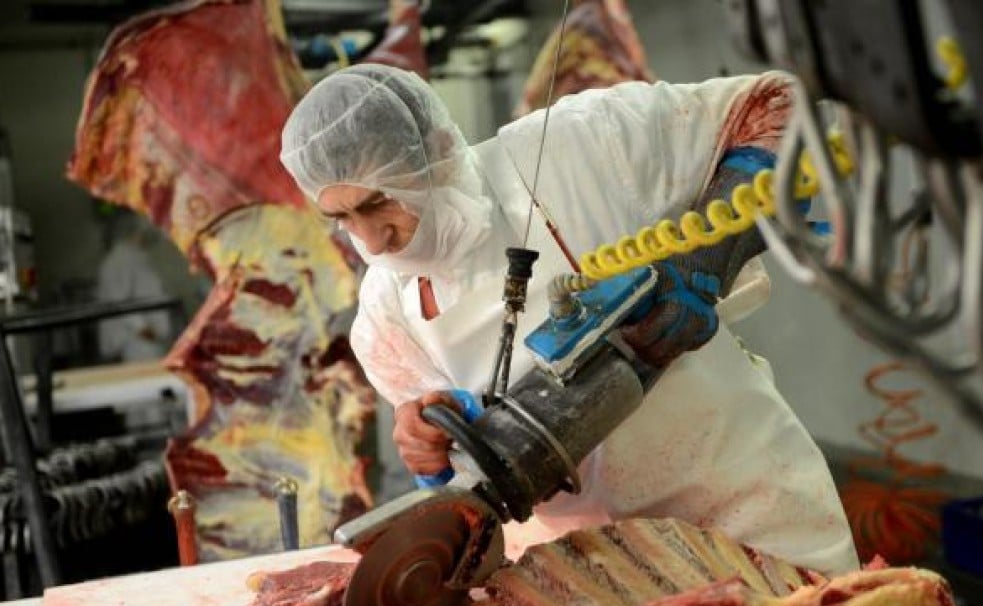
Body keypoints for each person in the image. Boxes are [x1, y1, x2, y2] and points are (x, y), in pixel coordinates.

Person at [280, 64, 859, 575]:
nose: (371, 240)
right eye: (343, 218)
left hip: (750, 518)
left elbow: (785, 108)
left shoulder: (577, 149)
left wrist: (705, 257)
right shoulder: (383, 320)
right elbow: (469, 497)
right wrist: (429, 452)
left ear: (433, 147)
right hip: (595, 579)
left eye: (380, 201)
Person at [96, 211, 172, 363]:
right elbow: (117, 302)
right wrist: (142, 328)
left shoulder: (137, 256)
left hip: (149, 339)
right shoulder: (119, 260)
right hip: (135, 343)